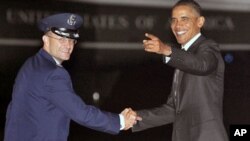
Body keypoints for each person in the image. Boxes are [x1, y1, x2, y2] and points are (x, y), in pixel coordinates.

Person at [4, 13, 137, 141]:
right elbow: (81, 113)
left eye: (71, 40)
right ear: (45, 40)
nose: (68, 45)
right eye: (61, 39)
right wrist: (120, 121)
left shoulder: (30, 64)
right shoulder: (54, 74)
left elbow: (14, 111)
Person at [132, 0, 229, 141]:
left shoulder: (208, 47)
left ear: (200, 22)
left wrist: (165, 50)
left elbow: (202, 65)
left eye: (184, 19)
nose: (177, 25)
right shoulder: (182, 57)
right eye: (174, 20)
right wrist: (135, 118)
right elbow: (174, 110)